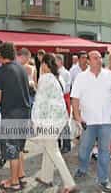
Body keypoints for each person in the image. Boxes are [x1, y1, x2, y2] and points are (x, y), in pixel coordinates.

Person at [71, 51, 111, 193]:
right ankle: (82, 168)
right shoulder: (81, 77)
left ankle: (103, 179)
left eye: (100, 57)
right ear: (88, 61)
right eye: (95, 57)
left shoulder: (110, 76)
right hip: (87, 121)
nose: (99, 59)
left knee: (104, 151)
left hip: (107, 120)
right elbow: (75, 98)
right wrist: (77, 116)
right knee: (84, 149)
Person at [0, 42, 31, 192]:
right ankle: (21, 175)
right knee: (19, 148)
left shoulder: (1, 71)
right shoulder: (22, 68)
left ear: (2, 55)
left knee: (12, 150)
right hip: (25, 113)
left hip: (11, 114)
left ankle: (14, 182)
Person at [31, 53, 77, 193]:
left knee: (52, 150)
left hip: (49, 121)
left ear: (45, 64)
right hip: (59, 119)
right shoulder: (59, 78)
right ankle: (46, 177)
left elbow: (40, 102)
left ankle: (69, 183)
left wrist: (35, 121)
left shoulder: (45, 78)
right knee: (49, 147)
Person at [55, 54, 72, 153]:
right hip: (58, 99)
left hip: (64, 98)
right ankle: (58, 144)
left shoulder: (65, 73)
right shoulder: (55, 72)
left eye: (55, 61)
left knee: (64, 123)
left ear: (60, 62)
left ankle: (66, 145)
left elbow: (67, 87)